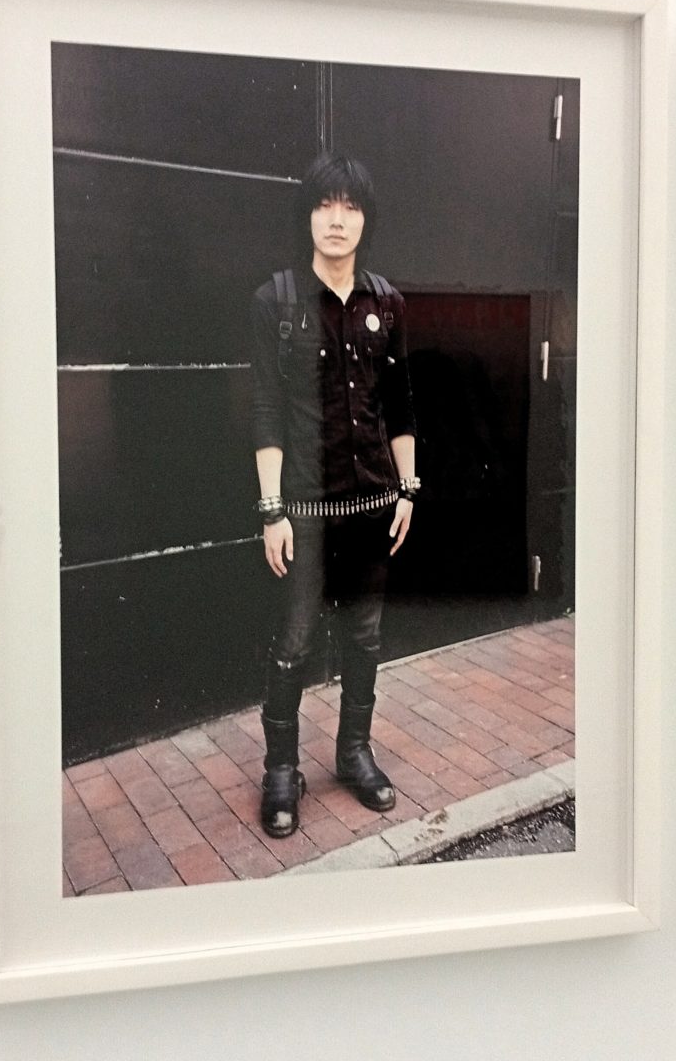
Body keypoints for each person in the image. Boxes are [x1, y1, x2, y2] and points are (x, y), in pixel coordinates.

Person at [251, 153, 419, 838]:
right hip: (307, 513)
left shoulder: (388, 303)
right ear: (309, 216)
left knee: (365, 637)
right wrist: (272, 510)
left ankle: (354, 754)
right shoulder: (278, 301)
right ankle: (281, 770)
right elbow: (266, 410)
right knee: (293, 643)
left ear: (365, 219)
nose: (337, 219)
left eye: (350, 206)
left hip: (373, 506)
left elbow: (400, 402)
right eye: (325, 204)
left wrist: (408, 488)